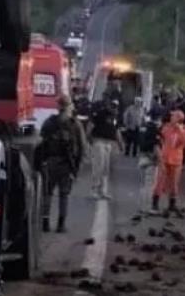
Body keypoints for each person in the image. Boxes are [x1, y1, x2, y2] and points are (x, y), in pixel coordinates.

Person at [37, 96, 84, 233]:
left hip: (51, 162)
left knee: (48, 193)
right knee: (64, 195)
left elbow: (42, 141)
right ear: (69, 106)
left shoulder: (49, 122)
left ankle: (45, 222)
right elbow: (81, 147)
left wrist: (42, 161)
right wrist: (76, 167)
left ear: (58, 106)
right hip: (66, 164)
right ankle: (61, 224)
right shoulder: (75, 124)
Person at [154, 110, 185, 215]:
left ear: (178, 119)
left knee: (174, 184)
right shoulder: (166, 127)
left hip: (176, 160)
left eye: (173, 116)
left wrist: (180, 130)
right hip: (164, 159)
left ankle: (172, 205)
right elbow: (160, 139)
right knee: (160, 182)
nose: (171, 117)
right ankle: (155, 204)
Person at [88, 96, 124, 200]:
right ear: (108, 105)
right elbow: (90, 126)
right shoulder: (100, 114)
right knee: (98, 167)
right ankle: (94, 189)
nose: (115, 109)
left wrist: (121, 144)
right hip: (99, 141)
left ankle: (103, 191)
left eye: (116, 107)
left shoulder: (115, 118)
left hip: (109, 144)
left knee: (106, 169)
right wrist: (90, 139)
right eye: (113, 106)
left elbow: (117, 132)